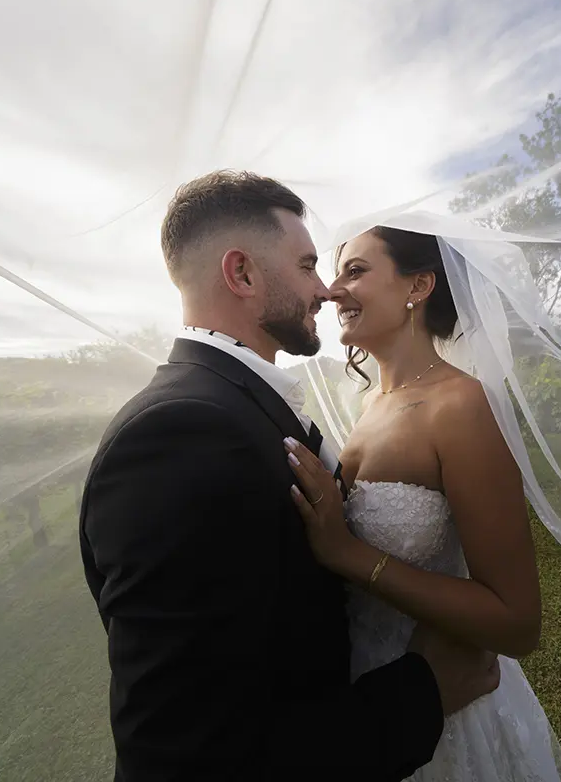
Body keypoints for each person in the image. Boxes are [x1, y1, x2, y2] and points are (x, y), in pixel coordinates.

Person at [78, 171, 500, 782]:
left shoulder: (233, 404)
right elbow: (183, 755)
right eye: (308, 266)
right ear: (242, 274)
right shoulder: (178, 433)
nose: (325, 290)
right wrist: (421, 692)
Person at [286, 225, 561, 781]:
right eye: (335, 272)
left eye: (356, 271)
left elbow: (518, 624)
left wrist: (349, 556)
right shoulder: (373, 402)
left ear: (418, 285)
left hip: (447, 705)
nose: (330, 290)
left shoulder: (460, 406)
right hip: (371, 697)